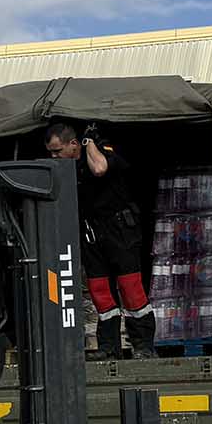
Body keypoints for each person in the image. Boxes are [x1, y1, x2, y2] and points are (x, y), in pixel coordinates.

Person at [45, 119, 153, 358]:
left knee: (130, 287)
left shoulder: (98, 151)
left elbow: (100, 169)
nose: (54, 157)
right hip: (91, 233)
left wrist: (89, 141)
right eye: (51, 152)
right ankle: (108, 347)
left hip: (119, 230)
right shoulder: (65, 169)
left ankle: (143, 346)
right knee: (99, 290)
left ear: (73, 144)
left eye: (58, 151)